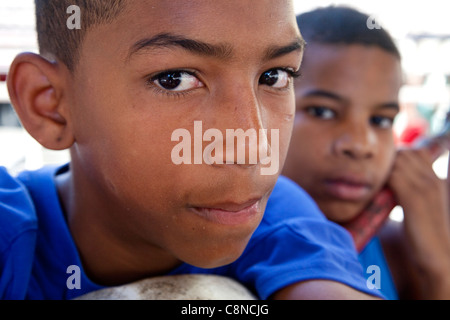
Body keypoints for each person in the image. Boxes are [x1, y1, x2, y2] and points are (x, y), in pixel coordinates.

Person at [0, 0, 381, 300]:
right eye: (174, 80)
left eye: (274, 76)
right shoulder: (10, 232)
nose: (251, 144)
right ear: (49, 104)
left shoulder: (279, 218)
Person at [282, 6, 450, 299]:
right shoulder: (217, 242)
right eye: (323, 111)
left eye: (381, 120)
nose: (360, 146)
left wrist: (438, 267)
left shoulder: (400, 251)